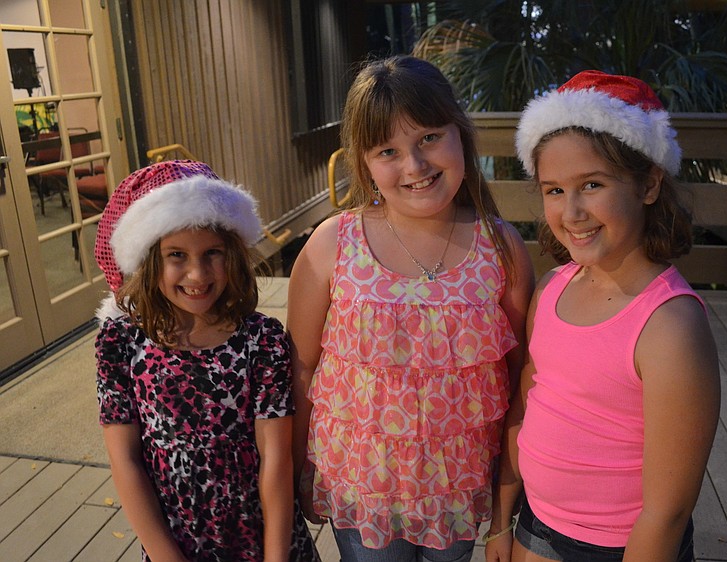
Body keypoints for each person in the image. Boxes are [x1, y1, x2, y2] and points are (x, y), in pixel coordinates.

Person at [287, 55, 535, 561]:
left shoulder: (500, 246)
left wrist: (509, 494)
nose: (415, 166)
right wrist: (298, 468)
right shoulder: (334, 243)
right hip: (360, 485)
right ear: (364, 161)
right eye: (388, 150)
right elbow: (302, 366)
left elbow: (521, 375)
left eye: (428, 138)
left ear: (459, 134)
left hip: (461, 488)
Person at [485, 71, 721, 562]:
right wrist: (500, 521)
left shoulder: (669, 326)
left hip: (618, 547)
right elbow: (525, 406)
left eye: (591, 184)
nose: (571, 212)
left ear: (650, 184)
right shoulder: (552, 289)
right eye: (553, 190)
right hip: (535, 525)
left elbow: (668, 511)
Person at [93, 160, 320, 561]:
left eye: (212, 253)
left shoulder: (262, 339)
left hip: (264, 538)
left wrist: (275, 558)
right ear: (147, 262)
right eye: (176, 255)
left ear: (231, 253)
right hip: (175, 542)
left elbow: (276, 459)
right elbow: (125, 461)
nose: (197, 274)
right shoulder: (120, 342)